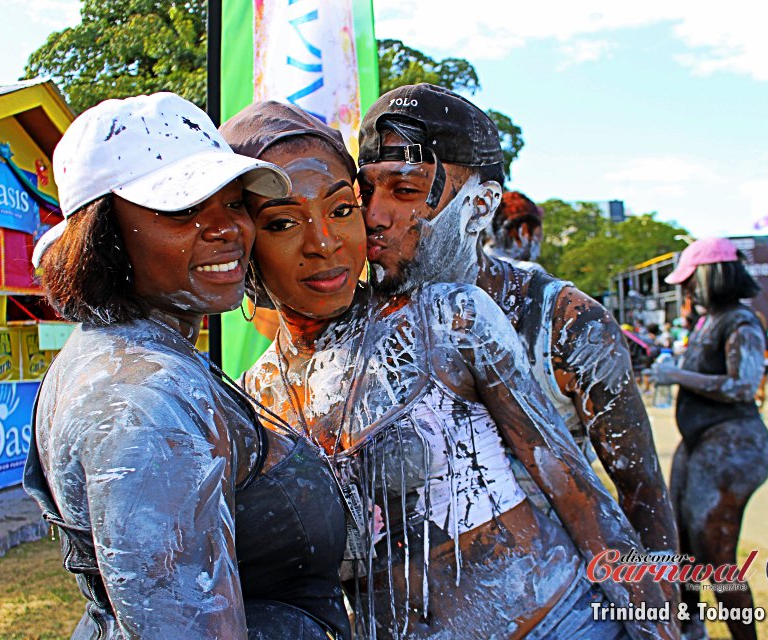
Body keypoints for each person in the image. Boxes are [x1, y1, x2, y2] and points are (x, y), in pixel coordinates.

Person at [223, 101, 676, 640]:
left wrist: (662, 627)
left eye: (342, 209)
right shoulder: (254, 396)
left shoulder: (448, 317)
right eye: (281, 222)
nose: (324, 241)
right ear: (244, 243)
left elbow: (585, 499)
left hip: (557, 624)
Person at [23, 93, 352, 640]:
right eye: (182, 209)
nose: (229, 230)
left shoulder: (143, 352)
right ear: (103, 234)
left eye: (234, 203)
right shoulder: (142, 401)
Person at [356, 83, 678, 573]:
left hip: (556, 607)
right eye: (365, 191)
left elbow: (642, 492)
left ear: (481, 206)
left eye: (405, 190)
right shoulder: (349, 318)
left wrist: (660, 614)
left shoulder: (563, 323)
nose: (373, 216)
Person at [652, 237, 768, 640]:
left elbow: (743, 384)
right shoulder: (707, 320)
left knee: (716, 551)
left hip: (733, 443)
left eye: (691, 281)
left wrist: (678, 376)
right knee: (683, 541)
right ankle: (691, 628)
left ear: (713, 276)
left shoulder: (740, 321)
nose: (686, 289)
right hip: (701, 443)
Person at [482, 189, 545, 272]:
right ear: (523, 231)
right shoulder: (530, 272)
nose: (540, 240)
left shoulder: (474, 263)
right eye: (537, 235)